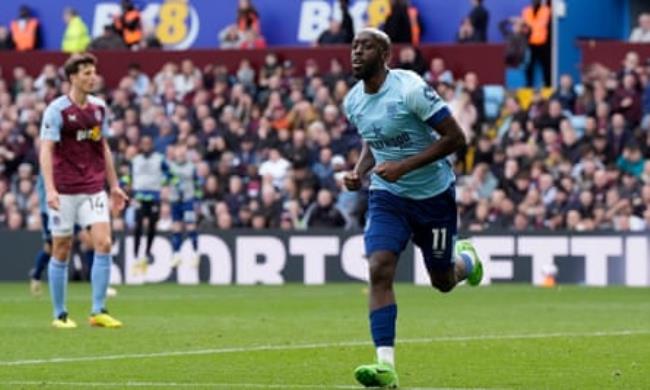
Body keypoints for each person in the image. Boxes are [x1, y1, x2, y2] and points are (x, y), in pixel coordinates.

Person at [343, 28, 483, 388]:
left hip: (433, 196)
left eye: (366, 46)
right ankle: (385, 365)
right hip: (388, 197)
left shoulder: (410, 89)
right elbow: (374, 139)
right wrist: (360, 171)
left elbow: (456, 139)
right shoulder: (353, 101)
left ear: (385, 55)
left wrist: (404, 167)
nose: (356, 52)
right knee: (379, 267)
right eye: (354, 46)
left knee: (443, 282)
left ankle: (466, 259)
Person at [39, 53, 128, 329]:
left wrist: (114, 186)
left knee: (104, 243)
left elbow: (103, 148)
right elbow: (46, 149)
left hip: (92, 188)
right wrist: (50, 189)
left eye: (93, 72)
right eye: (86, 73)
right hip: (64, 190)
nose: (93, 77)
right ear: (73, 78)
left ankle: (98, 310)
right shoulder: (57, 110)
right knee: (62, 249)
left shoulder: (99, 108)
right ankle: (60, 314)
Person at [127, 135, 171, 274]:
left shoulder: (159, 158)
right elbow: (129, 176)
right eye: (143, 143)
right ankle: (136, 255)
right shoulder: (135, 160)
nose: (146, 146)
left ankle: (147, 252)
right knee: (138, 225)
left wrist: (165, 184)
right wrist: (121, 184)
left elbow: (169, 173)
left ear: (152, 144)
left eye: (148, 143)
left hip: (154, 195)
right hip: (139, 195)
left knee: (152, 225)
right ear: (141, 145)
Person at [168, 144, 203, 267]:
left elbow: (197, 184)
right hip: (175, 200)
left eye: (183, 154)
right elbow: (165, 180)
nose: (181, 156)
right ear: (175, 154)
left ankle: (195, 253)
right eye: (179, 154)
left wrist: (197, 200)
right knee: (176, 226)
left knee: (190, 226)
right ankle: (177, 255)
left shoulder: (191, 167)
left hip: (188, 200)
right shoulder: (170, 167)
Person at [522, 0, 551, 87]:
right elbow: (525, 26)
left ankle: (547, 84)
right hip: (530, 43)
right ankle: (528, 84)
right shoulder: (526, 11)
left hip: (543, 43)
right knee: (529, 65)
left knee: (546, 65)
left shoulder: (546, 10)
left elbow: (545, 24)